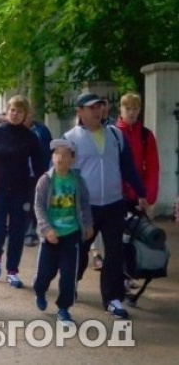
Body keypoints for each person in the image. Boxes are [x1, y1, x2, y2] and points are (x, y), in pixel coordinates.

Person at [64, 93, 147, 319]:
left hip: (113, 203)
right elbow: (61, 173)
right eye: (91, 108)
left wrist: (141, 193)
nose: (97, 111)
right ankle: (71, 284)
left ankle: (112, 298)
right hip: (85, 207)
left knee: (114, 251)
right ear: (80, 112)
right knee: (80, 250)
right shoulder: (70, 138)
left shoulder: (115, 135)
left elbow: (128, 167)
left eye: (100, 106)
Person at [0, 96, 46, 289]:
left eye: (19, 111)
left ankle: (13, 270)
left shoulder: (30, 137)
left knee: (18, 231)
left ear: (25, 115)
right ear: (7, 110)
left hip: (21, 190)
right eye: (12, 110)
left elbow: (39, 166)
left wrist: (38, 188)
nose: (15, 114)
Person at [33, 139, 94, 326]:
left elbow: (84, 204)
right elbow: (39, 207)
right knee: (46, 273)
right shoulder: (45, 180)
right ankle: (40, 289)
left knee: (68, 274)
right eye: (57, 154)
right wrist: (47, 229)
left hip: (71, 233)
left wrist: (88, 224)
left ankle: (64, 309)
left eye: (65, 155)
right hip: (50, 236)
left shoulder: (77, 181)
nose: (60, 158)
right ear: (52, 157)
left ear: (72, 160)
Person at [116, 93, 159, 210]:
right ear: (121, 109)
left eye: (135, 109)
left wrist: (148, 195)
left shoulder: (146, 135)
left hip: (138, 195)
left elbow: (153, 167)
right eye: (128, 108)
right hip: (115, 195)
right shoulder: (112, 133)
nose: (131, 113)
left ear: (139, 110)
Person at [23, 110, 53, 247]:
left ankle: (31, 231)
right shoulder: (15, 131)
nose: (27, 117)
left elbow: (49, 149)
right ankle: (24, 230)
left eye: (28, 114)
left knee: (35, 201)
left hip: (38, 172)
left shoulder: (42, 130)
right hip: (21, 174)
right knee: (25, 202)